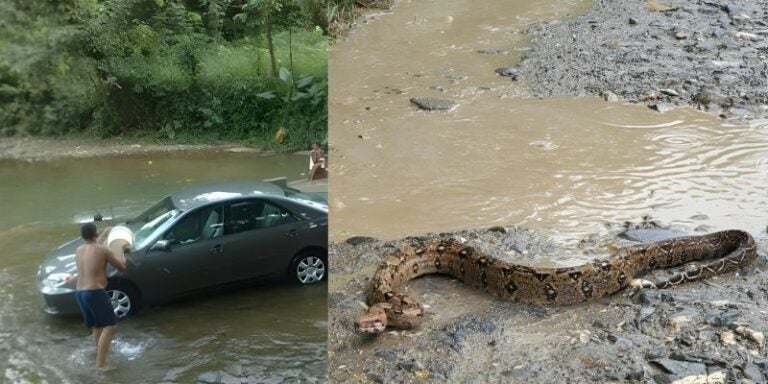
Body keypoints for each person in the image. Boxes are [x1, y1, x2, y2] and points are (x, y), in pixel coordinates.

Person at [74, 223, 127, 370]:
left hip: (80, 293)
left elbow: (97, 242)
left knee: (97, 326)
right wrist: (121, 249)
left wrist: (109, 230)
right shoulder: (103, 249)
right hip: (94, 292)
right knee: (110, 327)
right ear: (95, 234)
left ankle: (97, 354)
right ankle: (101, 364)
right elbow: (121, 266)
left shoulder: (79, 249)